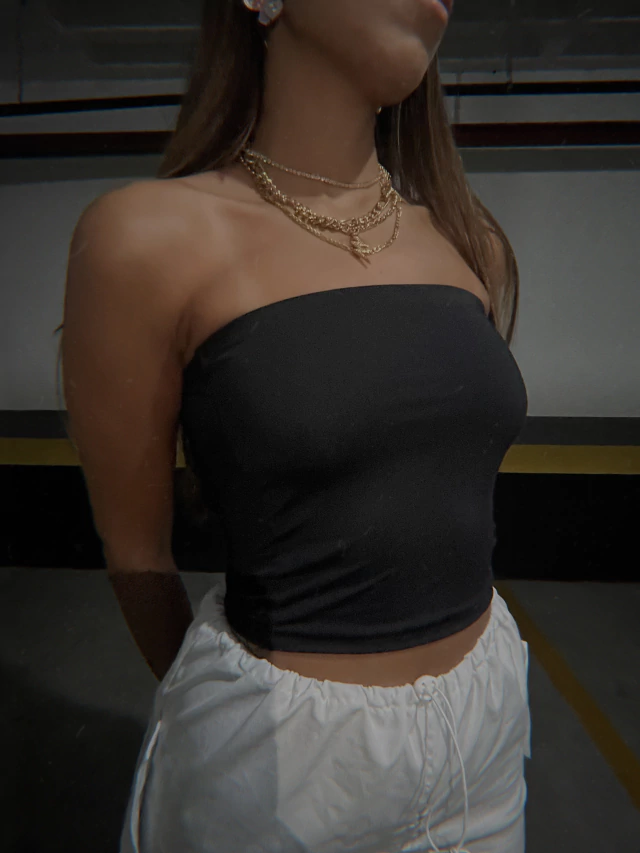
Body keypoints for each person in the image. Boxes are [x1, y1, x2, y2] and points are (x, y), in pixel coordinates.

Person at [58, 0, 532, 850]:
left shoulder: (469, 242)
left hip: (486, 731)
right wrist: (242, 710)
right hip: (283, 759)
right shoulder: (145, 239)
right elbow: (137, 553)